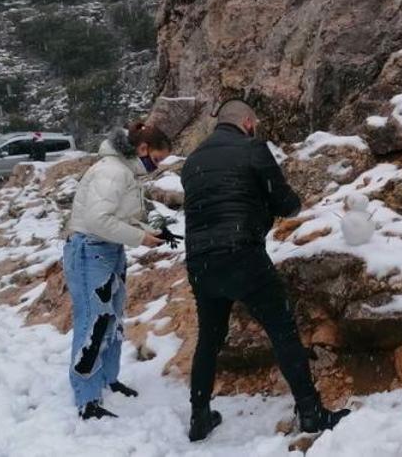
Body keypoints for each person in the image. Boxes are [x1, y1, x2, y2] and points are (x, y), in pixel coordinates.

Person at [181, 100, 350, 442]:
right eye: (254, 123)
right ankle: (311, 412)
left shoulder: (192, 161)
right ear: (247, 122)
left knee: (210, 339)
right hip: (242, 254)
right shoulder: (252, 148)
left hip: (199, 260)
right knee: (282, 330)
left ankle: (199, 417)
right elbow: (287, 203)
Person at [62, 121, 171, 420]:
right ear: (143, 149)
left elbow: (121, 217)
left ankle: (108, 379)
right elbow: (98, 220)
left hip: (108, 249)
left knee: (112, 318)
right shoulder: (112, 171)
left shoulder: (126, 171)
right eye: (157, 159)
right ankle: (87, 398)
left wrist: (151, 232)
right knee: (93, 322)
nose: (156, 166)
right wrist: (140, 238)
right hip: (89, 250)